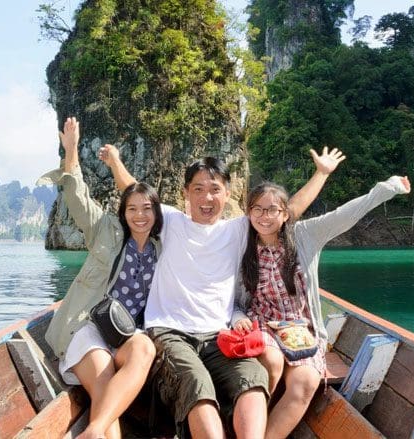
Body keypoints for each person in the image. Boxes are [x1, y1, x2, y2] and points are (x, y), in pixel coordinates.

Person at [99, 144, 343, 438]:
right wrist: (115, 162)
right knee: (196, 383)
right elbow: (132, 191)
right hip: (168, 331)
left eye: (215, 189)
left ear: (227, 194)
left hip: (220, 336)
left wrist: (321, 173)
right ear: (186, 193)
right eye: (198, 189)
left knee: (253, 379)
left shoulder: (238, 229)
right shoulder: (171, 222)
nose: (207, 197)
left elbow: (287, 211)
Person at [232, 169, 411, 439]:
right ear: (248, 212)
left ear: (285, 214)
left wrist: (387, 188)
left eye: (272, 210)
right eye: (257, 209)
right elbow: (231, 299)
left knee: (306, 382)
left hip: (301, 328)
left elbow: (344, 215)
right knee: (270, 362)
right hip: (261, 324)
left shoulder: (305, 236)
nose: (264, 217)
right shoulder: (240, 245)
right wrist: (236, 318)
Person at [37, 117, 162, 439]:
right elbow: (77, 196)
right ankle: (96, 431)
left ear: (156, 212)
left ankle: (92, 431)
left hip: (127, 331)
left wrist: (117, 163)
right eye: (131, 208)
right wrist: (72, 149)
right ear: (123, 212)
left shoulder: (164, 246)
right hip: (88, 325)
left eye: (146, 208)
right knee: (104, 379)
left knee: (144, 350)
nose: (139, 215)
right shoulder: (104, 229)